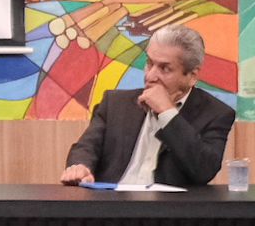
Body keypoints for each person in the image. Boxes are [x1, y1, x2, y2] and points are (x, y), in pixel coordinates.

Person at [62, 24, 234, 187]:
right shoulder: (114, 103)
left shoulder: (215, 113)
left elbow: (204, 170)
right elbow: (86, 147)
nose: (150, 76)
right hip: (113, 202)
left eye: (165, 69)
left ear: (192, 76)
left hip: (166, 207)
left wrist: (167, 113)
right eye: (149, 63)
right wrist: (81, 166)